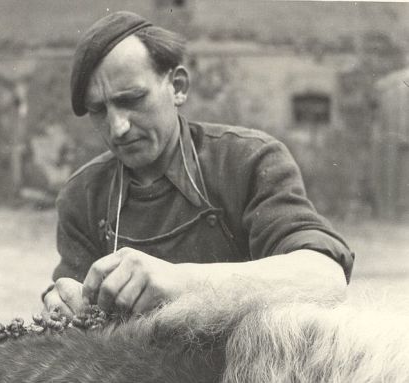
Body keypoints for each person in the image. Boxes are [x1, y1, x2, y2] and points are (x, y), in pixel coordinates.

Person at [42, 11, 354, 318]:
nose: (118, 127)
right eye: (99, 110)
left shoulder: (248, 161)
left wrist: (181, 284)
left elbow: (325, 278)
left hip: (240, 364)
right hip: (130, 368)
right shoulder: (82, 195)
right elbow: (73, 303)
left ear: (177, 87)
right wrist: (64, 301)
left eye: (132, 99)